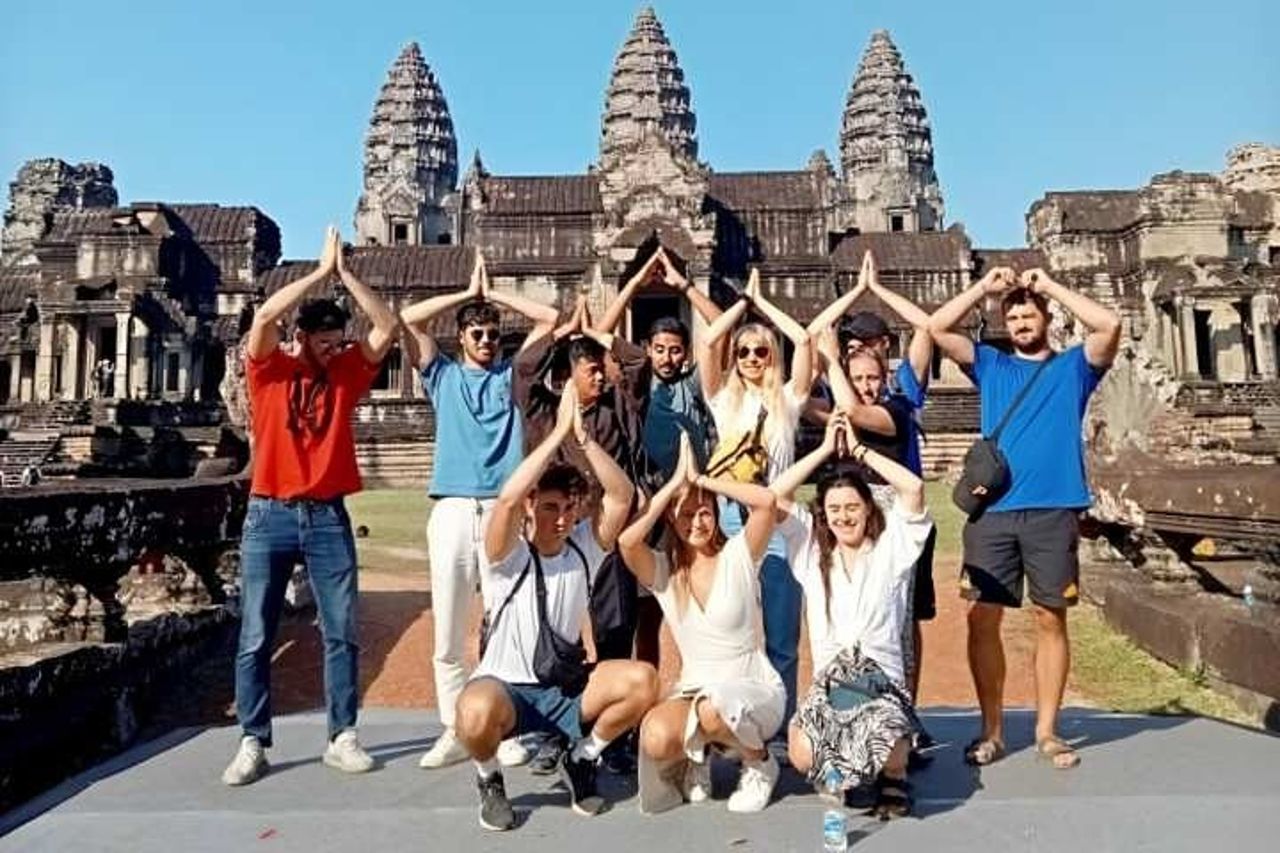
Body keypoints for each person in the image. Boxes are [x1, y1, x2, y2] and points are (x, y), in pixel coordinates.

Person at [222, 226, 398, 786]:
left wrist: (346, 275)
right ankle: (253, 739)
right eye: (324, 341)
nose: (333, 349)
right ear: (301, 336)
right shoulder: (269, 368)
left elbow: (387, 327)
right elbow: (264, 318)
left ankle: (342, 735)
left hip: (326, 515)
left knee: (341, 630)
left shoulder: (346, 373)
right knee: (256, 633)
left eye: (338, 341)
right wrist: (317, 275)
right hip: (268, 512)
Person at [930, 265, 1120, 770]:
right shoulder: (991, 364)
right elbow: (937, 328)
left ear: (1046, 318)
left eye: (1028, 314)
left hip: (1053, 510)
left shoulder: (1074, 367)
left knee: (1049, 616)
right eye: (1012, 317)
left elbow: (1109, 325)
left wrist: (1049, 285)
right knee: (982, 617)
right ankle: (991, 730)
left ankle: (1047, 730)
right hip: (993, 511)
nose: (1019, 323)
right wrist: (981, 288)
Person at [454, 384, 658, 831]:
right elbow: (507, 500)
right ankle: (489, 780)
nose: (561, 518)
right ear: (531, 507)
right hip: (506, 688)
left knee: (642, 680)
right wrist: (556, 434)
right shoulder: (507, 554)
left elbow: (621, 496)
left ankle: (582, 757)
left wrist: (582, 439)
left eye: (568, 508)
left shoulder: (584, 548)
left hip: (562, 688)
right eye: (549, 507)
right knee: (471, 712)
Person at [400, 254, 559, 770]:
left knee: (503, 620)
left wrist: (494, 296)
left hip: (501, 508)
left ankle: (502, 724)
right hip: (451, 506)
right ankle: (454, 727)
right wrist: (467, 294)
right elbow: (410, 319)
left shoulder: (511, 378)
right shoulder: (442, 376)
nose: (487, 341)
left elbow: (549, 320)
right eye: (478, 334)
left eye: (493, 334)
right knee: (448, 628)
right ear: (461, 338)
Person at [769, 412, 933, 818]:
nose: (843, 516)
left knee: (883, 728)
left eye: (852, 507)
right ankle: (850, 767)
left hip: (880, 678)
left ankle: (893, 773)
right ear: (822, 514)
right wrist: (825, 450)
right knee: (802, 752)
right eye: (834, 509)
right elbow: (774, 495)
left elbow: (913, 488)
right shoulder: (811, 552)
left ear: (868, 508)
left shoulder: (891, 547)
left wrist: (859, 450)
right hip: (834, 680)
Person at [619, 434, 786, 814]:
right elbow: (627, 543)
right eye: (686, 514)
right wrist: (673, 487)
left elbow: (766, 502)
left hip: (753, 691)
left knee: (712, 708)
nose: (696, 522)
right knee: (655, 736)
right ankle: (698, 757)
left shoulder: (739, 554)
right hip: (695, 691)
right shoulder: (665, 572)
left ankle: (760, 763)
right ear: (671, 519)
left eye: (704, 512)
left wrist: (702, 480)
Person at [807, 251, 939, 701]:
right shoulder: (835, 400)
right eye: (855, 371)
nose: (865, 381)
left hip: (897, 511)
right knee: (849, 609)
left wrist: (877, 289)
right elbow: (804, 386)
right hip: (848, 512)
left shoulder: (898, 402)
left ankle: (903, 707)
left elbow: (926, 328)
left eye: (871, 375)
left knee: (901, 616)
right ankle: (846, 701)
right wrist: (851, 296)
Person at [700, 268, 814, 732]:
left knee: (783, 638)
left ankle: (779, 724)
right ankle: (733, 720)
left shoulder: (789, 400)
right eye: (743, 351)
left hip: (783, 521)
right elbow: (709, 341)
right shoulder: (722, 401)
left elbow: (804, 340)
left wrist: (764, 306)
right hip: (734, 522)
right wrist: (740, 306)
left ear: (772, 356)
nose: (750, 357)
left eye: (760, 351)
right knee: (735, 632)